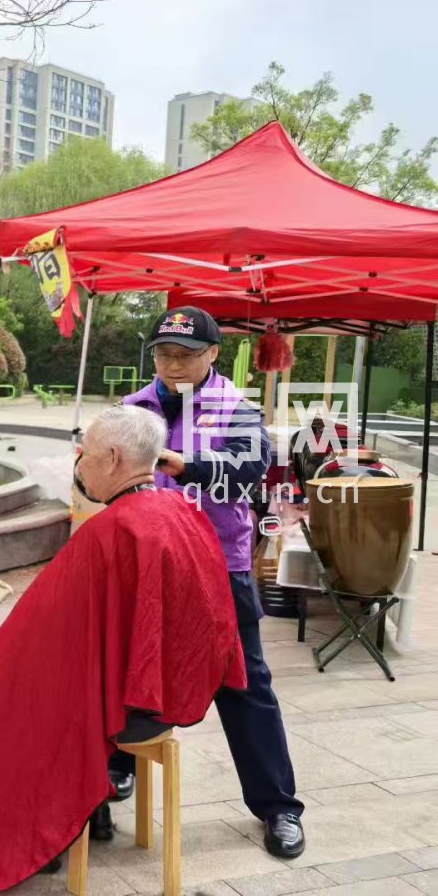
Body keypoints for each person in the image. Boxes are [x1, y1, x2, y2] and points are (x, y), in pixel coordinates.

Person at [0, 406, 245, 894]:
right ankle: (79, 817)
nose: (79, 465)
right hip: (166, 696)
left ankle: (21, 836)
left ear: (112, 458)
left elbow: (38, 638)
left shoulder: (110, 531)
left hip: (128, 708)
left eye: (85, 455)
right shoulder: (184, 511)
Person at [120, 305, 306, 858]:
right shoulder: (131, 410)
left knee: (245, 685)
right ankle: (115, 767)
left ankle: (278, 807)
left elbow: (248, 471)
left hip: (220, 568)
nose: (173, 364)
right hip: (148, 566)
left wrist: (185, 465)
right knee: (128, 666)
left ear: (213, 355)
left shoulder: (238, 411)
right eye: (163, 353)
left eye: (185, 354)